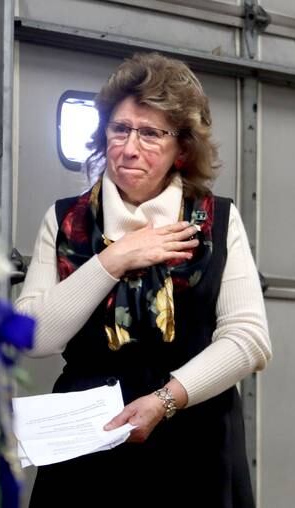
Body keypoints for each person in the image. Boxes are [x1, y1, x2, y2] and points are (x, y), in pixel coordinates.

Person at [15, 52, 271, 507]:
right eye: (120, 129)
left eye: (151, 133)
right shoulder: (65, 220)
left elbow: (249, 340)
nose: (129, 148)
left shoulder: (217, 221)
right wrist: (114, 260)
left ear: (183, 149)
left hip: (193, 436)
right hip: (88, 444)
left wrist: (165, 400)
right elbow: (31, 336)